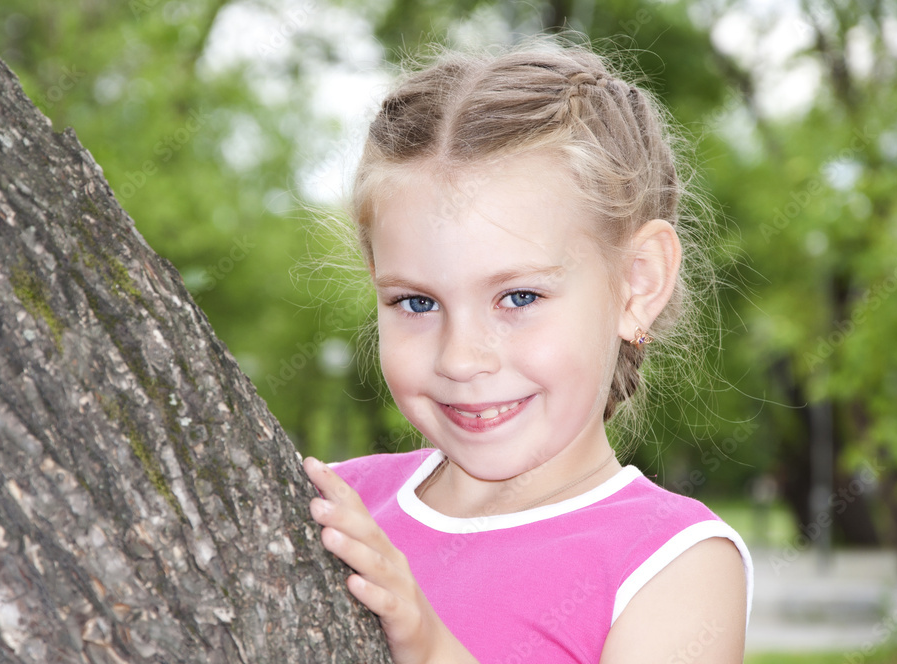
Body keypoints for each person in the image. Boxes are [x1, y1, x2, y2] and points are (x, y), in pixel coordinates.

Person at [302, 38, 753, 664]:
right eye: (417, 303)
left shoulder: (673, 562)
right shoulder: (338, 508)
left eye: (518, 298)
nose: (461, 359)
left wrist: (430, 649)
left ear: (638, 283)